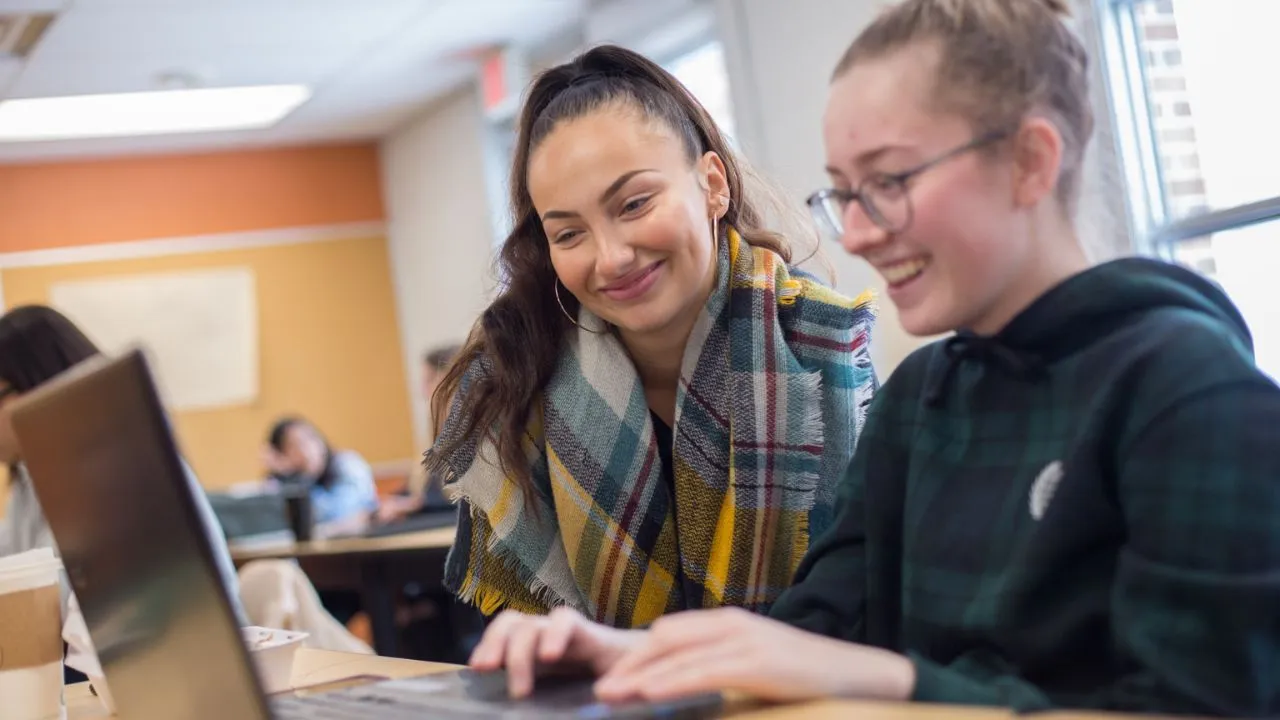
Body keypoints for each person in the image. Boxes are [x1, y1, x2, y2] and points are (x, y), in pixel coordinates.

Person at [459, 1, 1280, 716]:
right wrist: (633, 657)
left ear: (1031, 160)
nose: (854, 234)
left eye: (888, 183)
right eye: (845, 193)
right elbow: (816, 626)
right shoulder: (924, 395)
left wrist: (890, 681)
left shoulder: (1191, 394)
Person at [425, 45, 878, 629]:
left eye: (634, 204)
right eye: (568, 234)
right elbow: (519, 635)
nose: (611, 258)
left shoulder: (823, 343)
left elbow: (872, 604)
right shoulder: (512, 375)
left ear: (712, 184)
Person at [0, 305, 245, 621]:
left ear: (38, 386)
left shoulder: (125, 472)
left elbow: (58, 612)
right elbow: (12, 572)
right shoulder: (29, 477)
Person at [377, 343, 462, 524]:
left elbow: (465, 500)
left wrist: (417, 505)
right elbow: (418, 489)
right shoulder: (437, 439)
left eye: (429, 380)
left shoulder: (476, 438)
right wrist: (392, 502)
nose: (422, 391)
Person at [262, 416, 378, 526]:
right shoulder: (285, 480)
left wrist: (298, 478)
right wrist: (287, 478)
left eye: (310, 438)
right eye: (293, 446)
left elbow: (337, 514)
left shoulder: (348, 464)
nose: (306, 450)